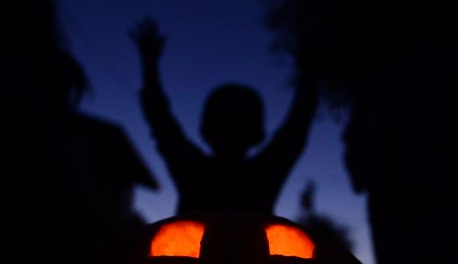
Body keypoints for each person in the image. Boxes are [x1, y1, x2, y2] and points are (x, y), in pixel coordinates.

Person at [130, 17, 318, 215]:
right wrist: (310, 75)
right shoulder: (264, 175)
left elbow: (161, 121)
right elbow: (297, 127)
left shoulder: (192, 170)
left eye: (237, 122)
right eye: (225, 121)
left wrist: (149, 65)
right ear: (259, 134)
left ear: (203, 130)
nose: (231, 128)